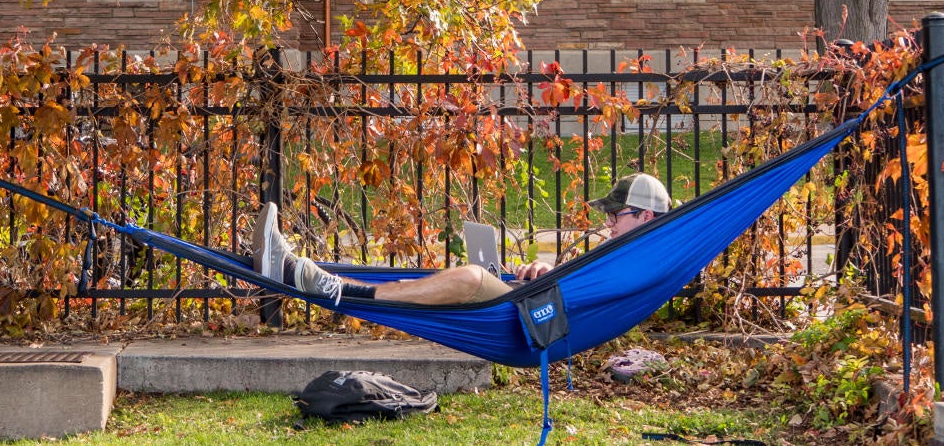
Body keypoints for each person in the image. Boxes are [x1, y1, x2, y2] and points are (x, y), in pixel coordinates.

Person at [253, 173, 672, 305]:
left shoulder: (644, 258)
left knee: (472, 277)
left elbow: (593, 296)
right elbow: (583, 283)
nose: (610, 223)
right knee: (433, 281)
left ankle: (334, 288)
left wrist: (550, 282)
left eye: (617, 215)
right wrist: (546, 272)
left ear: (646, 216)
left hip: (536, 321)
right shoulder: (628, 251)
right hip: (534, 300)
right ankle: (299, 271)